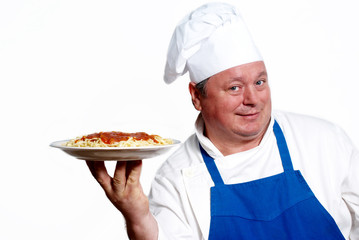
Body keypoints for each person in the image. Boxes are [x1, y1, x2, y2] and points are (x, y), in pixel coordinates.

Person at [86, 2, 359, 239]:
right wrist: (138, 218)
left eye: (260, 82)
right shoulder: (176, 178)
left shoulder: (324, 141)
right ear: (196, 96)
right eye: (235, 88)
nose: (253, 99)